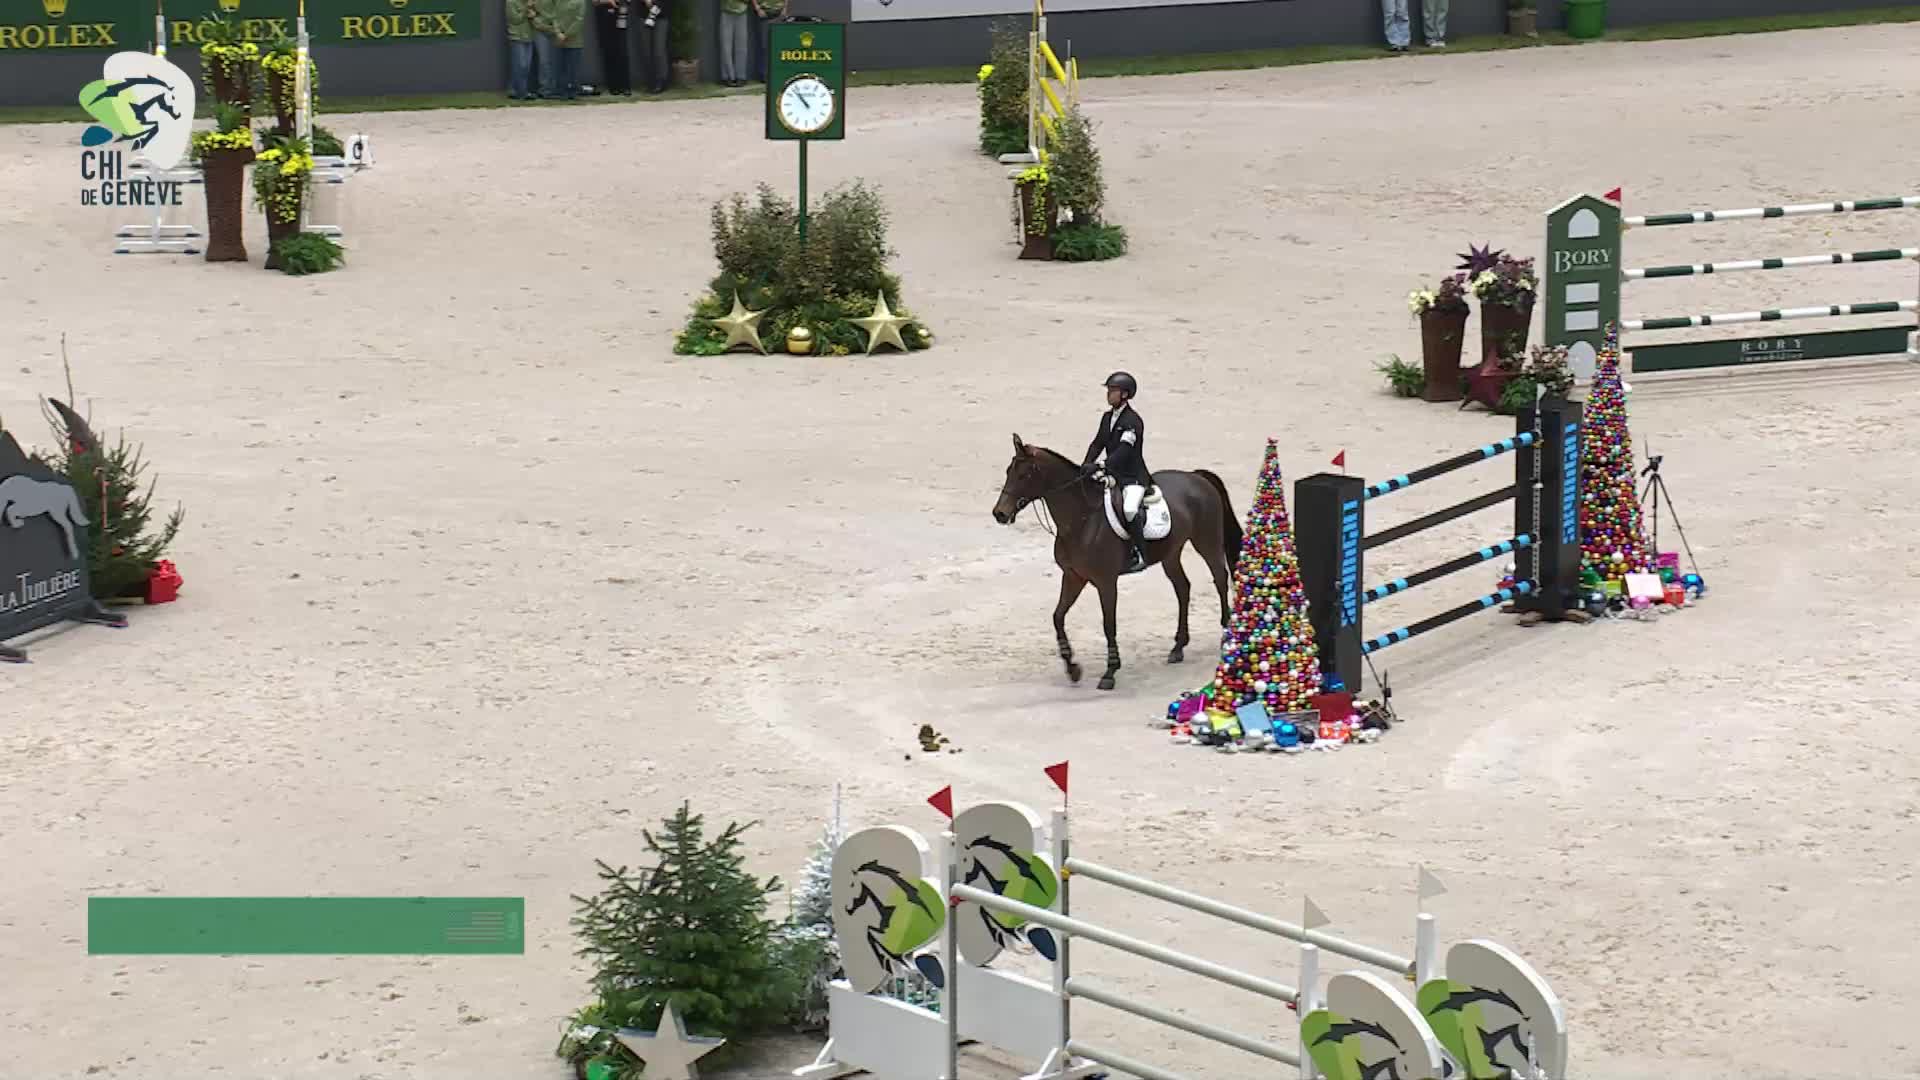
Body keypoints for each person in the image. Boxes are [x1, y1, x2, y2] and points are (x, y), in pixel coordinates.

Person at [1081, 371, 1153, 574]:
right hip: (1112, 473)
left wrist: (1101, 465)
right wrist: (1086, 464)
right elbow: (1097, 443)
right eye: (1109, 390)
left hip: (1132, 477)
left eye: (1113, 391)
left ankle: (1140, 553)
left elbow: (1124, 451)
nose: (1108, 394)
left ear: (1125, 394)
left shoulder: (1133, 421)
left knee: (1129, 509)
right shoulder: (1107, 418)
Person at [591, 0, 633, 95]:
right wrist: (609, 1)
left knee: (622, 52)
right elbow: (594, 2)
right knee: (609, 51)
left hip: (620, 15)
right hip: (604, 17)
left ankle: (625, 86)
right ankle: (613, 86)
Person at [635, 0, 669, 94]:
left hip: (661, 16)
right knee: (646, 50)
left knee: (659, 50)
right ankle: (651, 82)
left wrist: (653, 2)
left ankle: (661, 81)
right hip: (643, 15)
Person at [507, 0, 538, 100]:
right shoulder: (511, 2)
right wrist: (526, 9)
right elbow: (515, 19)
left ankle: (516, 90)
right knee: (521, 65)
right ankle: (521, 92)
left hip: (529, 37)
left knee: (526, 67)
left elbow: (534, 18)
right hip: (517, 37)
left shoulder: (530, 3)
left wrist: (533, 15)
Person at [750, 0, 784, 84]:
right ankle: (764, 74)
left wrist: (785, 7)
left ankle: (778, 72)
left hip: (778, 12)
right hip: (764, 12)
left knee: (777, 45)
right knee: (764, 46)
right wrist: (757, 8)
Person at [718, 0, 750, 87]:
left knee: (742, 46)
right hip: (726, 11)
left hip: (742, 12)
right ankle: (728, 77)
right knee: (726, 45)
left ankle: (741, 76)